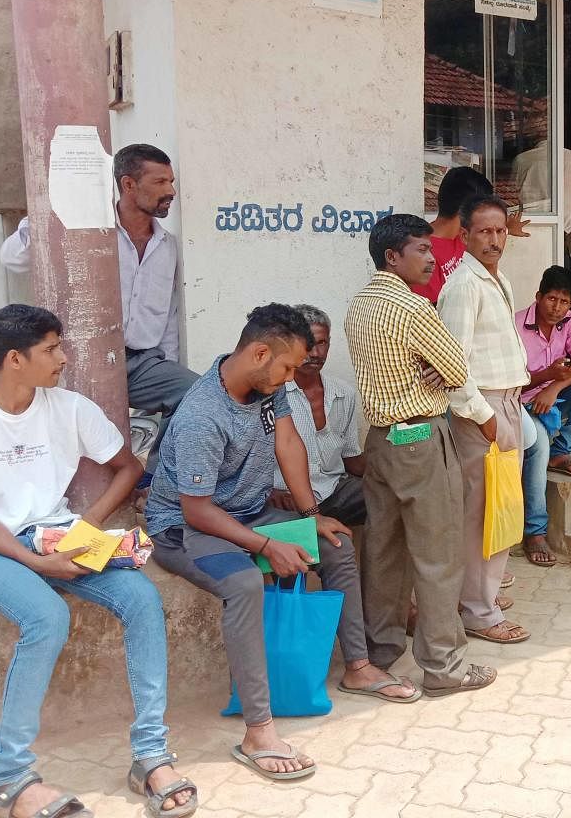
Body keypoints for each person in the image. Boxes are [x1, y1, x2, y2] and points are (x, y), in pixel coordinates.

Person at [146, 304, 413, 784]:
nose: (294, 376)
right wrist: (267, 546)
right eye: (288, 366)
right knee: (246, 583)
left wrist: (312, 517)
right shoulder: (202, 415)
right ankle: (258, 731)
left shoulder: (269, 388)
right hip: (186, 529)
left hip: (250, 513)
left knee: (333, 545)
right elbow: (197, 511)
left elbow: (288, 445)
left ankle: (358, 666)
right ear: (260, 352)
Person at [0, 305, 197, 818]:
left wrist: (87, 528)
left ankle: (150, 756)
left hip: (57, 534)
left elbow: (128, 467)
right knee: (46, 617)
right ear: (14, 359)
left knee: (141, 596)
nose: (63, 358)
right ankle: (7, 781)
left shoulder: (69, 408)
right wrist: (39, 565)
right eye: (51, 349)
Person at [345, 213, 497, 697]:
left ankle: (379, 653)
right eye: (422, 250)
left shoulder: (360, 305)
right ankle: (444, 668)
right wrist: (436, 368)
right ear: (393, 257)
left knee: (384, 552)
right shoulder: (412, 308)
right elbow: (455, 366)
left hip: (381, 441)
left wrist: (436, 367)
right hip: (420, 441)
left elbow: (444, 367)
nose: (432, 259)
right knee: (438, 555)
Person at [0, 144, 198, 480]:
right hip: (80, 360)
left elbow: (167, 313)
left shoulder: (168, 245)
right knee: (60, 423)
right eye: (161, 182)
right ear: (128, 184)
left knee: (195, 393)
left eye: (171, 182)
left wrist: (169, 362)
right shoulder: (88, 229)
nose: (171, 192)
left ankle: (153, 483)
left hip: (141, 362)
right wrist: (47, 214)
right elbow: (12, 258)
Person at [438, 194, 531, 645]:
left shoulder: (499, 281)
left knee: (500, 508)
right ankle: (478, 610)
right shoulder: (462, 287)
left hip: (507, 403)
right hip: (483, 411)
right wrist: (485, 417)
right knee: (484, 513)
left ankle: (481, 597)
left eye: (499, 231)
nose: (494, 240)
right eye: (484, 232)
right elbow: (453, 368)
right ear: (466, 235)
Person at [515, 266, 571, 567]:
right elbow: (510, 382)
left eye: (564, 302)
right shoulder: (516, 325)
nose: (557, 308)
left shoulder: (570, 321)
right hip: (520, 403)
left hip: (549, 398)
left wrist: (554, 386)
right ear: (538, 297)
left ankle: (562, 451)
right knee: (537, 443)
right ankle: (535, 532)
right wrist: (545, 377)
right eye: (552, 299)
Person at [268, 305, 365, 526]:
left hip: (334, 491)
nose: (315, 353)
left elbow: (352, 459)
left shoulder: (343, 393)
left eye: (322, 343)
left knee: (388, 498)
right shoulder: (271, 394)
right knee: (330, 546)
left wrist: (393, 464)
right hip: (286, 499)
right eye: (308, 343)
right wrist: (268, 490)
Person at [412, 166, 530, 304]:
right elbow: (432, 311)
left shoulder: (463, 236)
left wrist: (506, 228)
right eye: (483, 210)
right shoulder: (424, 252)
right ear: (467, 210)